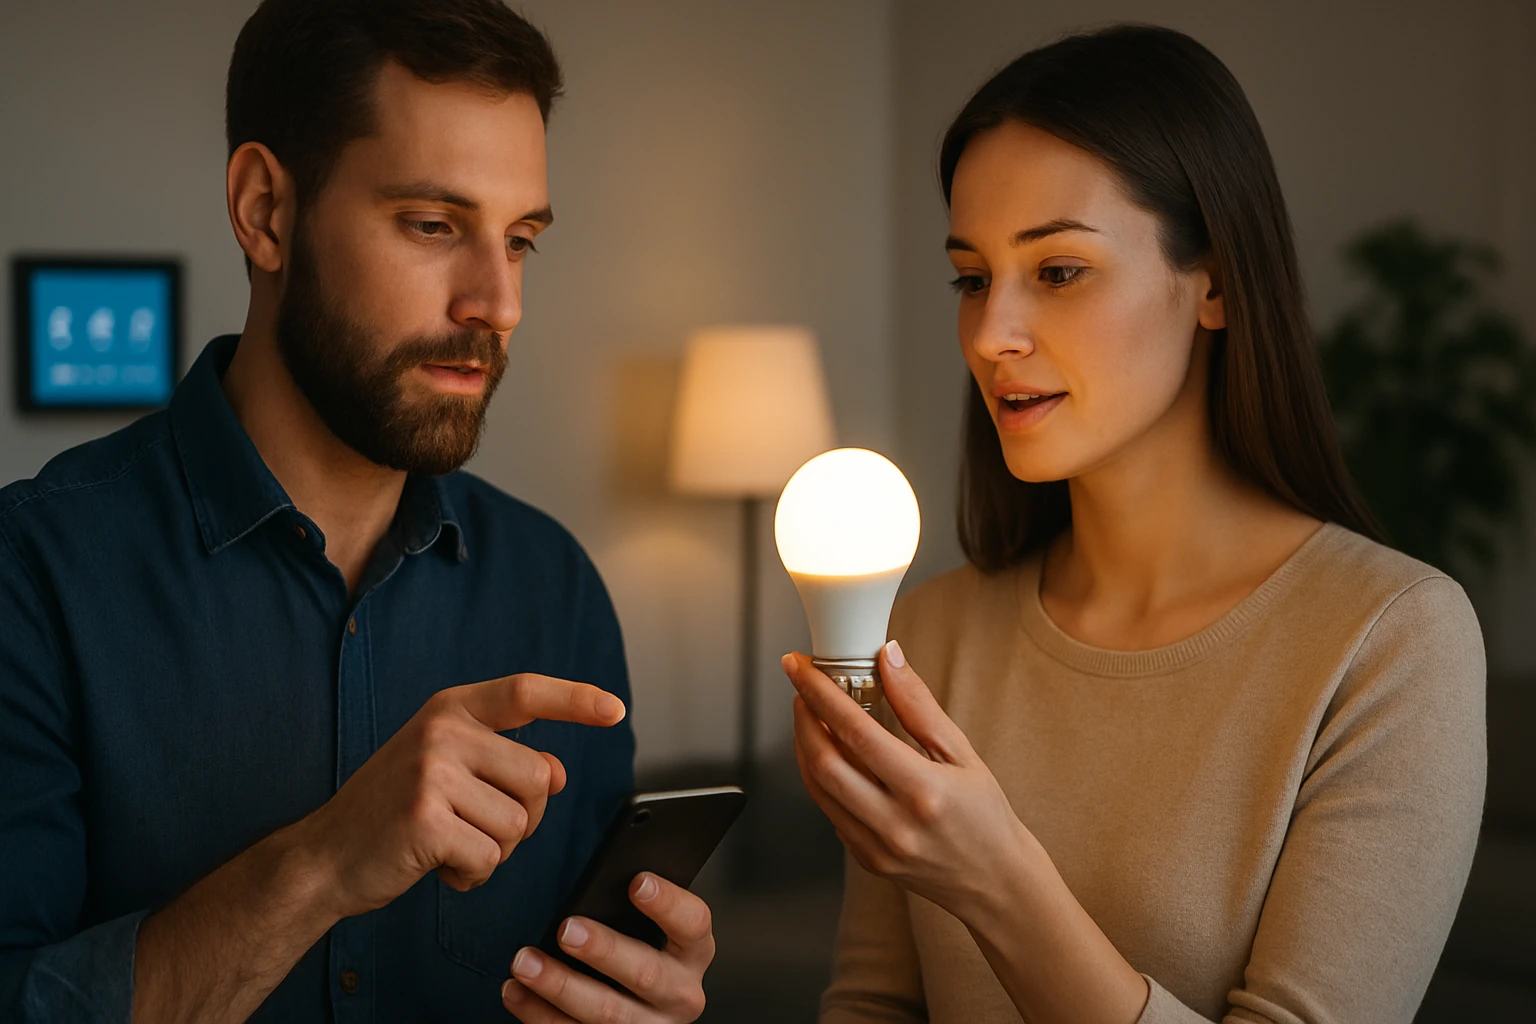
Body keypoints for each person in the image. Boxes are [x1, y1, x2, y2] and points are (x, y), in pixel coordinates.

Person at [0, 2, 715, 1021]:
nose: (499, 303)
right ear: (265, 211)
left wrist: (643, 1002)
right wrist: (326, 862)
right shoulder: (32, 576)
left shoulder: (555, 591)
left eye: (520, 240)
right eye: (434, 225)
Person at [783, 24, 1485, 1024]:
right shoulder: (929, 638)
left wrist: (997, 881)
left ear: (1216, 283)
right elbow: (871, 1007)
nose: (991, 335)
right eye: (973, 278)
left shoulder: (1391, 640)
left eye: (1059, 271)